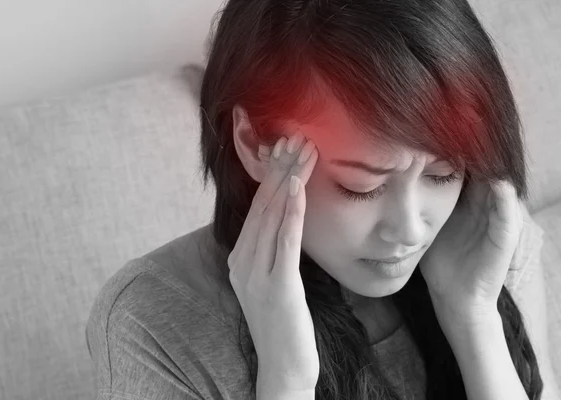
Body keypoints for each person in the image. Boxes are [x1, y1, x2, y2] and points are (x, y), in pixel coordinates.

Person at [86, 1, 560, 399]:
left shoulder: (485, 241)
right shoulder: (153, 319)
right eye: (362, 186)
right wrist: (286, 379)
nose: (412, 229)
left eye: (442, 174)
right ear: (254, 144)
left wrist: (471, 314)